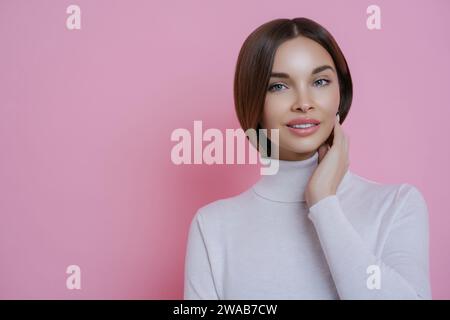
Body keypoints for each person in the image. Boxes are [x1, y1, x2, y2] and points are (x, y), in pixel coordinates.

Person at [183, 17, 431, 299]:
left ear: (341, 93)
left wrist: (324, 203)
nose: (303, 102)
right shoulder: (213, 227)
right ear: (253, 100)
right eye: (278, 86)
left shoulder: (396, 206)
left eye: (320, 81)